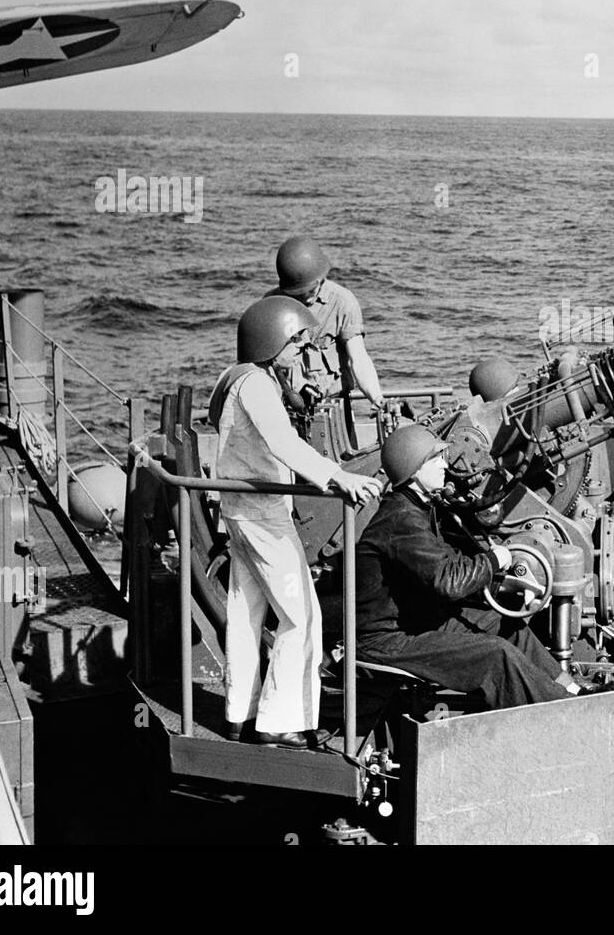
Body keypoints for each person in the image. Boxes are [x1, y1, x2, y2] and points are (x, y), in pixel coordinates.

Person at [211, 295, 383, 749]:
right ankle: (279, 721)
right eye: (295, 342)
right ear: (272, 341)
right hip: (263, 513)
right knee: (301, 615)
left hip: (237, 511)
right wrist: (339, 477)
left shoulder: (237, 377)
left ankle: (239, 714)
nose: (301, 350)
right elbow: (284, 443)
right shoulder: (258, 387)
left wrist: (289, 386)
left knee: (246, 615)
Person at [354, 424, 577, 709]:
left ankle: (573, 690)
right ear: (413, 472)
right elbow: (449, 581)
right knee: (495, 656)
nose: (443, 464)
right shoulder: (401, 520)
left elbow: (449, 561)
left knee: (506, 625)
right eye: (433, 460)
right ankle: (567, 712)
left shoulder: (419, 508)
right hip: (386, 641)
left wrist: (500, 582)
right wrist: (495, 560)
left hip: (415, 621)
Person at [268, 235, 384, 410]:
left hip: (333, 406)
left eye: (310, 290)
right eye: (299, 293)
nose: (306, 297)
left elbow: (358, 358)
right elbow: (261, 364)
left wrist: (378, 399)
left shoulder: (343, 302)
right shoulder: (271, 304)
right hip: (287, 408)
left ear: (321, 278)